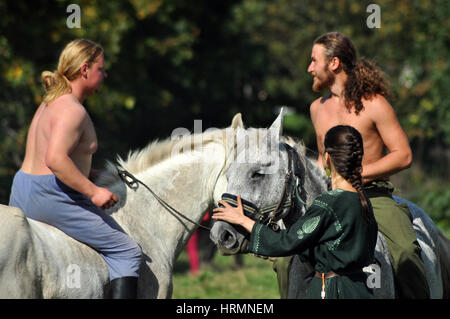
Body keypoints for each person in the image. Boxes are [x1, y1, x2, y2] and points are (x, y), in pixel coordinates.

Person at [8, 39, 142, 299]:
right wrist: (93, 191)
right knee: (127, 251)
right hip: (51, 196)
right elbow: (56, 160)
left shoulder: (51, 101)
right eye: (101, 69)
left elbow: (56, 158)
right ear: (85, 70)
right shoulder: (73, 110)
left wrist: (88, 175)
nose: (105, 74)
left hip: (22, 187)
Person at [306, 32, 429, 298]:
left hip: (372, 197)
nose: (310, 68)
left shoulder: (375, 104)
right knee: (287, 261)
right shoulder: (317, 108)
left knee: (406, 252)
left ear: (334, 63)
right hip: (331, 198)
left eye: (314, 61)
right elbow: (322, 157)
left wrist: (356, 174)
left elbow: (403, 155)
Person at [213, 125, 378, 299]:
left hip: (331, 290)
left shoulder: (328, 204)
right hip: (360, 290)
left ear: (327, 158)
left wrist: (243, 221)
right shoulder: (363, 200)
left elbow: (288, 242)